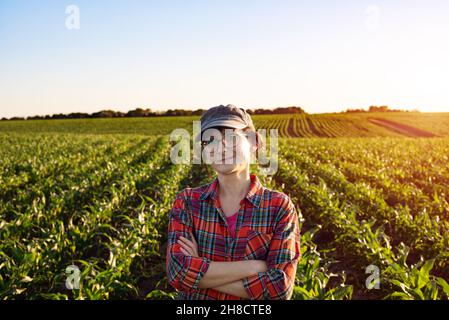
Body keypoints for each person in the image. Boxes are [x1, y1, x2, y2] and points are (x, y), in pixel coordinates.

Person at [165, 104, 301, 300]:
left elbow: (279, 288)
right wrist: (255, 266)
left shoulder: (278, 206)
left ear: (254, 142)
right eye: (210, 140)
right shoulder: (188, 201)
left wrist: (198, 272)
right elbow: (178, 272)